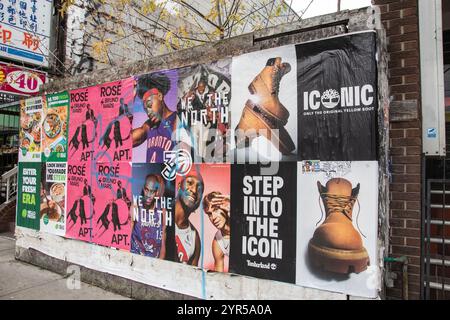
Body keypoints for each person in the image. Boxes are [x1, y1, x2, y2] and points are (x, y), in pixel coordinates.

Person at [132, 73, 177, 163]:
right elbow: (125, 142)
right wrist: (130, 101)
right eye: (145, 109)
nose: (149, 111)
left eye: (150, 105)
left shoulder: (176, 119)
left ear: (160, 96)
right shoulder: (149, 125)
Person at [131, 174, 168, 259]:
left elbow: (163, 244)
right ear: (143, 189)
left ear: (156, 192)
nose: (148, 195)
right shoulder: (136, 206)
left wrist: (159, 263)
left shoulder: (162, 211)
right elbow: (128, 235)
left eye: (152, 191)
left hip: (153, 260)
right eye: (146, 190)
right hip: (135, 257)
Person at [174, 171, 203, 266]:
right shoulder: (161, 216)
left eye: (199, 189)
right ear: (179, 186)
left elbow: (192, 277)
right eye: (189, 183)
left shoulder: (195, 238)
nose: (194, 190)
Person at [203, 191, 230, 272]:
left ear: (224, 206)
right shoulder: (218, 242)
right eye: (209, 214)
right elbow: (219, 276)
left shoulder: (244, 225)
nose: (213, 217)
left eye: (216, 210)